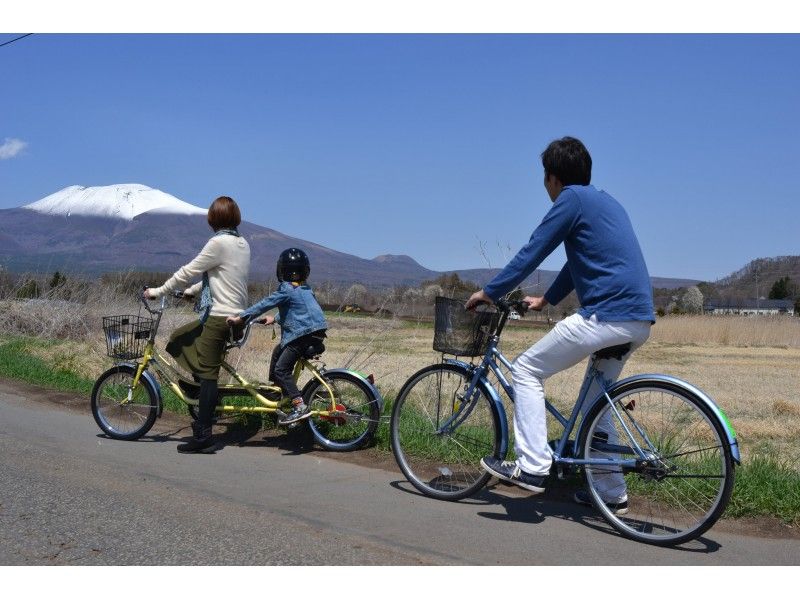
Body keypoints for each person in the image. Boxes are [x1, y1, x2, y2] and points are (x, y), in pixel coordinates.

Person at [465, 136, 654, 512]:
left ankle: (532, 467)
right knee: (593, 407)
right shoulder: (606, 202)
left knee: (526, 370)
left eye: (544, 178)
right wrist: (547, 300)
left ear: (553, 178)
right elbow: (577, 264)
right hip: (637, 319)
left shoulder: (570, 200)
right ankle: (613, 493)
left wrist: (489, 291)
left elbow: (533, 250)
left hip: (606, 315)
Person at [145, 196, 250, 454]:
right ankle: (201, 394)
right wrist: (192, 291)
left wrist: (158, 291)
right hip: (237, 315)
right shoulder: (241, 242)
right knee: (180, 338)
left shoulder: (218, 243)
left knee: (209, 376)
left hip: (220, 318)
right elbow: (220, 278)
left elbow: (189, 270)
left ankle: (203, 435)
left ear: (213, 219)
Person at [226, 247, 328, 426]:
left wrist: (241, 317)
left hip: (301, 336)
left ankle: (299, 405)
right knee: (278, 350)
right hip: (315, 334)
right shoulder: (304, 288)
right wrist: (275, 318)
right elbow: (300, 312)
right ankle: (279, 392)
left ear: (282, 270)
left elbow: (264, 304)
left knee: (282, 369)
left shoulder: (287, 289)